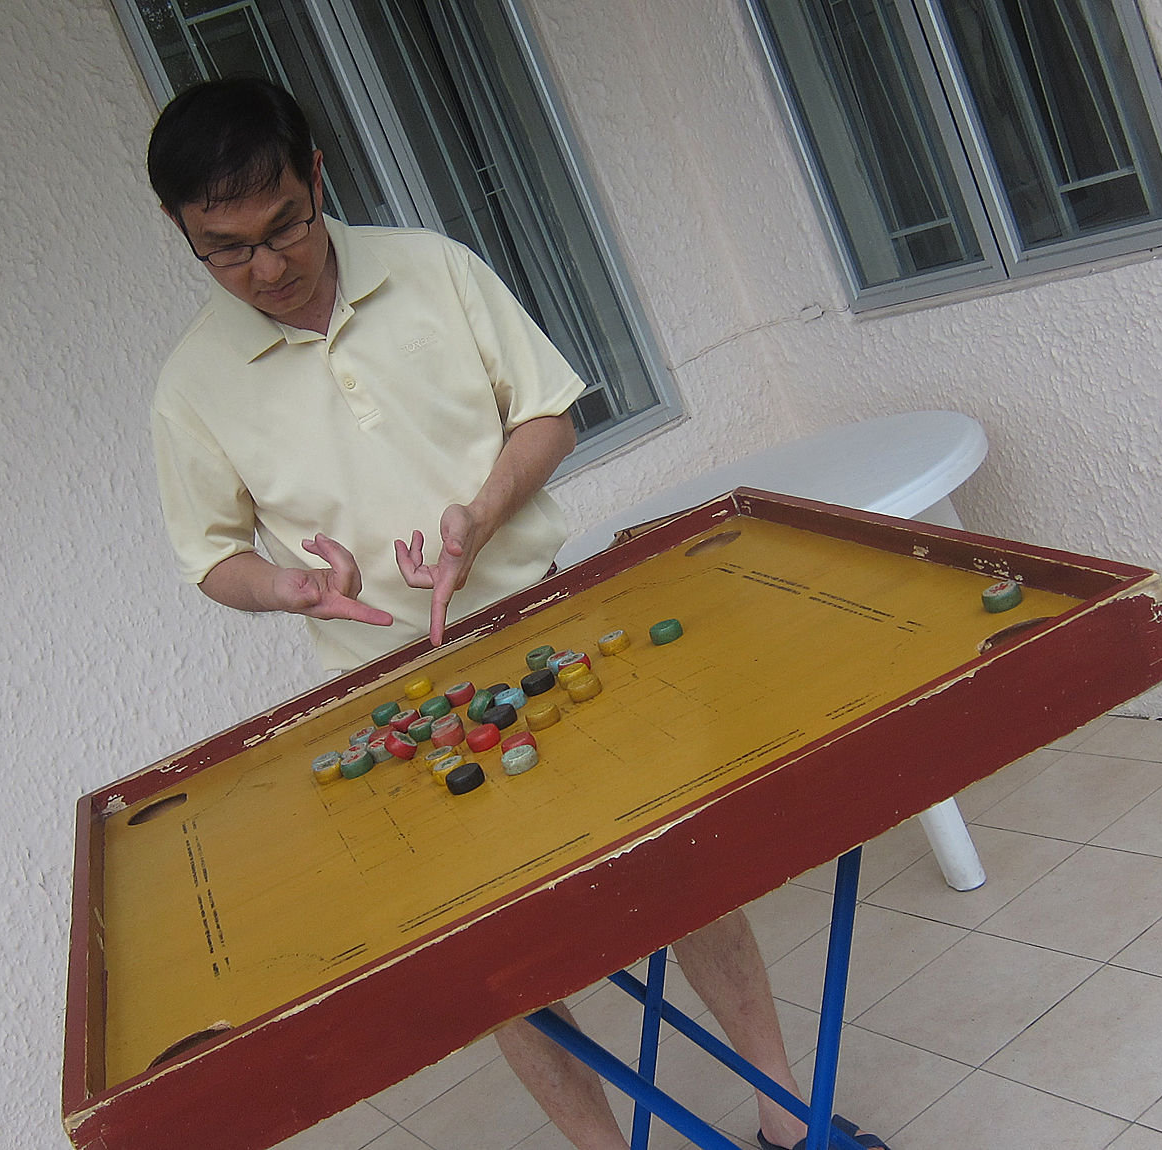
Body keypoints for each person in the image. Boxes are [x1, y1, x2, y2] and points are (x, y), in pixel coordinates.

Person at [146, 76, 870, 1150]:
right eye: (225, 248)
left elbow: (547, 414)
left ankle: (787, 1122)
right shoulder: (190, 385)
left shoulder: (433, 268)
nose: (266, 267)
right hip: (392, 704)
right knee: (504, 968)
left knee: (682, 873)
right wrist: (285, 587)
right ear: (182, 231)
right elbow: (212, 557)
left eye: (285, 225)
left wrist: (482, 513)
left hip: (556, 624)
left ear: (318, 179)